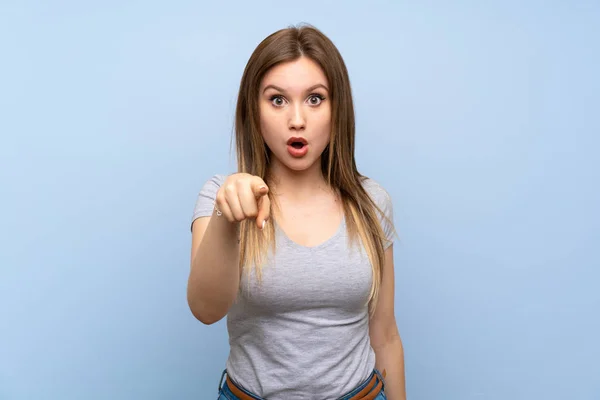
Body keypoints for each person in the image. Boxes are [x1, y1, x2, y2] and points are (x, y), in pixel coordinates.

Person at [188, 24, 407, 400]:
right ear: (253, 112)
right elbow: (206, 310)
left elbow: (385, 334)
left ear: (337, 109)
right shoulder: (221, 197)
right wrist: (228, 219)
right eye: (277, 100)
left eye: (315, 99)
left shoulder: (372, 202)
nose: (297, 120)